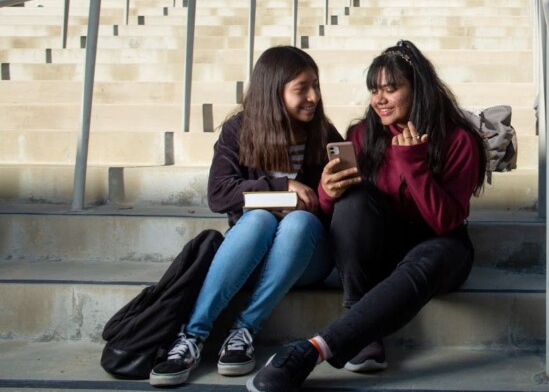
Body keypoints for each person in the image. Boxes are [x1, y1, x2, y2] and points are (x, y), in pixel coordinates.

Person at [246, 39, 487, 392]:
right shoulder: (362, 134)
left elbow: (445, 222)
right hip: (382, 248)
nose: (380, 100)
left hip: (441, 247)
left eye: (391, 89)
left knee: (429, 255)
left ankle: (311, 350)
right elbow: (340, 218)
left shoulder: (459, 140)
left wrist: (413, 164)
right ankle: (359, 316)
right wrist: (327, 192)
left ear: (418, 89)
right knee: (355, 198)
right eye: (375, 90)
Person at [149, 46, 349, 387]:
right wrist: (280, 186)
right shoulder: (239, 131)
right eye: (302, 88)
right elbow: (218, 194)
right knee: (257, 218)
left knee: (298, 222)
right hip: (251, 251)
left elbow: (341, 206)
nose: (313, 97)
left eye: (315, 85)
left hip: (306, 258)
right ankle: (193, 336)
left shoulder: (323, 134)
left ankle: (244, 328)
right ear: (274, 91)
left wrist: (327, 193)